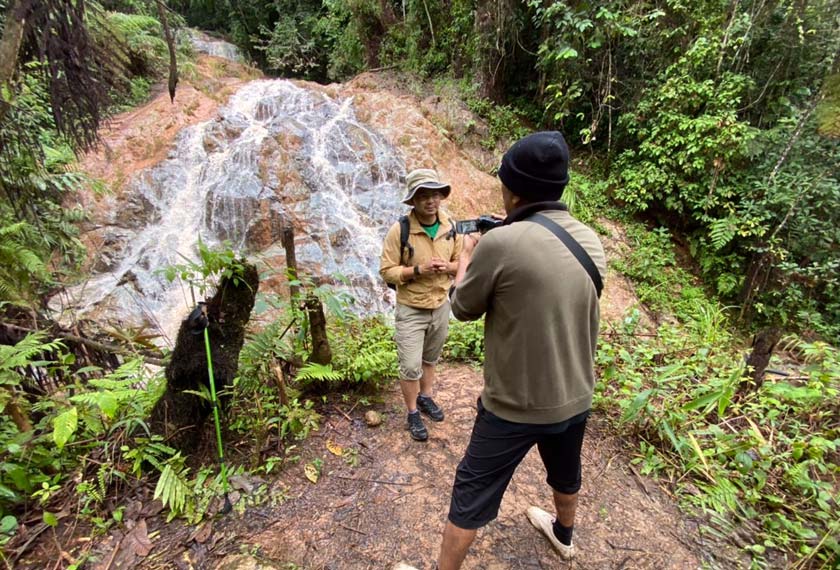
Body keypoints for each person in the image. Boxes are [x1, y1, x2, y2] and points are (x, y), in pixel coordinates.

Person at [434, 131, 607, 568]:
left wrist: (469, 253)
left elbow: (463, 307)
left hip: (513, 405)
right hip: (575, 396)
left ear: (511, 191)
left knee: (471, 491)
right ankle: (564, 536)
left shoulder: (501, 243)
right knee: (565, 472)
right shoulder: (589, 239)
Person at [380, 168, 462, 442]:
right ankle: (413, 411)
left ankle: (425, 397)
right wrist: (417, 270)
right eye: (423, 196)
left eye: (435, 195)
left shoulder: (451, 227)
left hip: (440, 304)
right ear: (413, 200)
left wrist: (447, 267)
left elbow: (463, 263)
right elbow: (386, 271)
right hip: (411, 308)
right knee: (410, 365)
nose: (430, 201)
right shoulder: (400, 230)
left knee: (430, 359)